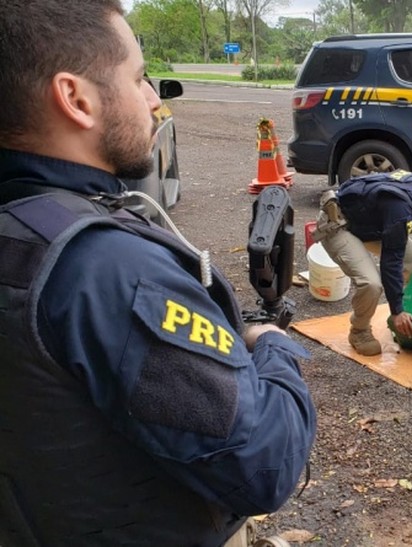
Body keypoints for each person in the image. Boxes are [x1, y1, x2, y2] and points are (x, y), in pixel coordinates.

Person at [0, 2, 316, 546]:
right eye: (140, 77)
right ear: (76, 99)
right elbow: (264, 463)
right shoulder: (106, 271)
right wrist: (273, 346)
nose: (154, 99)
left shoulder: (20, 225)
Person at [314, 170, 412, 356]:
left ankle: (410, 313)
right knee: (371, 284)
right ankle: (359, 331)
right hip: (340, 224)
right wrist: (396, 310)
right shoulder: (402, 209)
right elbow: (392, 261)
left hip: (371, 223)